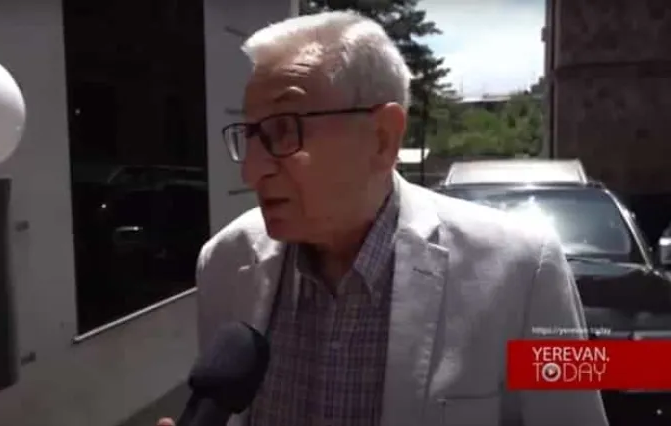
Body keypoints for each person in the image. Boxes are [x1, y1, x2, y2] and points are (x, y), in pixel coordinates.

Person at [159, 10, 608, 426]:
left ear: (382, 137)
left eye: (283, 131)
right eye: (250, 135)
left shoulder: (527, 269)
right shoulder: (224, 262)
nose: (251, 170)